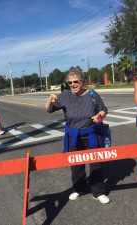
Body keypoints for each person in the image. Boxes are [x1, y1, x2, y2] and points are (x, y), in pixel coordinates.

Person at [45, 68, 110, 204]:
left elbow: (103, 109)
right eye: (70, 82)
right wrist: (50, 100)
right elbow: (48, 109)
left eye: (76, 82)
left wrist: (99, 115)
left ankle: (98, 192)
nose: (73, 85)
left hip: (91, 134)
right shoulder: (64, 96)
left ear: (82, 82)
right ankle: (79, 189)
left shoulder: (92, 94)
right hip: (73, 135)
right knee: (76, 164)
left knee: (96, 163)